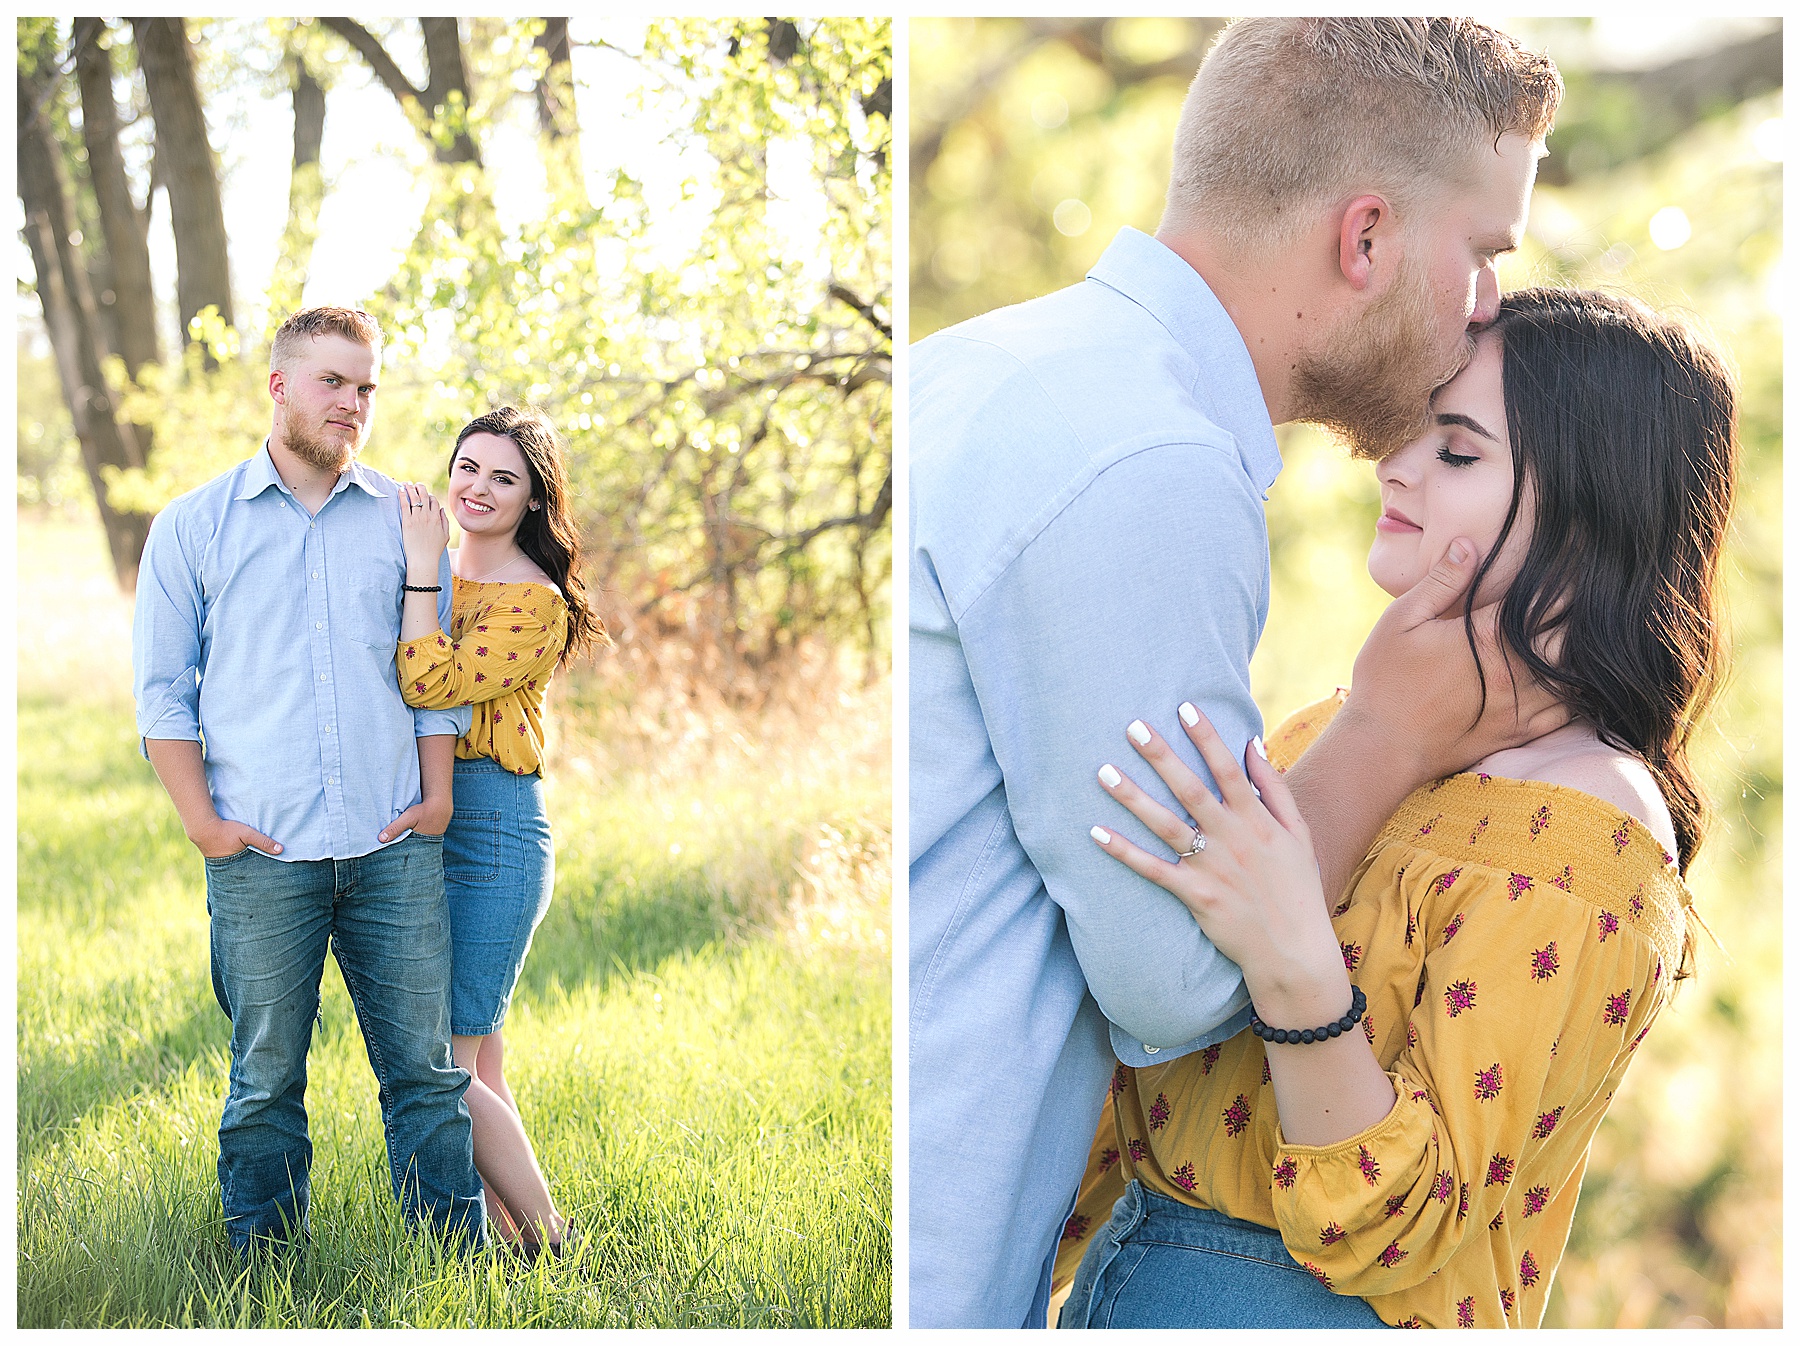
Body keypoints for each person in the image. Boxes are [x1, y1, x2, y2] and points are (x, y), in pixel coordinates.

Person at [908, 18, 1563, 1325]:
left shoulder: (986, 368)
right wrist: (1385, 730)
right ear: (1364, 237)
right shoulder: (1144, 459)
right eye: (1484, 255)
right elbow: (1180, 978)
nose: (1489, 308)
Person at [1058, 289, 1736, 1328]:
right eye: (1412, 433)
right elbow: (1150, 1029)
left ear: (1594, 511)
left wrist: (1297, 971)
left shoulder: (1586, 827)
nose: (1396, 465)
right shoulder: (1340, 725)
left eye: (1457, 452)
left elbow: (1400, 1222)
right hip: (1132, 1277)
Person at [132, 306, 483, 1254]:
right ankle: (263, 1274)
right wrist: (206, 826)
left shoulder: (409, 522)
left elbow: (434, 677)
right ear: (280, 386)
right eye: (333, 382)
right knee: (265, 1080)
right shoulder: (193, 526)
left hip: (391, 844)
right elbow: (164, 694)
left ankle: (457, 1267)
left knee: (425, 1075)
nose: (353, 404)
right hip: (263, 852)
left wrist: (438, 797)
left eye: (366, 387)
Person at [392, 406, 605, 1256]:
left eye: (503, 478)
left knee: (440, 1059)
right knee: (478, 1061)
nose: (477, 489)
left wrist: (416, 571)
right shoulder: (450, 571)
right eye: (468, 468)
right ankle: (505, 1241)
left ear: (533, 500)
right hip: (431, 821)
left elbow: (430, 680)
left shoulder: (531, 598)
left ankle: (553, 1239)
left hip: (493, 828)